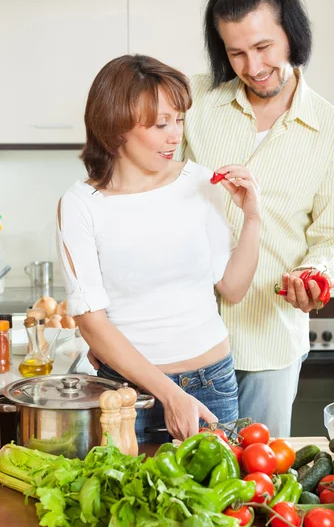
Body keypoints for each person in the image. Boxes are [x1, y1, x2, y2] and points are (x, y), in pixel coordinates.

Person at [178, 0, 334, 437]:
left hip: (270, 340)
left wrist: (315, 274)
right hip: (186, 340)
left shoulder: (331, 129)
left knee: (259, 487)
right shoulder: (192, 100)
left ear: (291, 36)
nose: (253, 66)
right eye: (236, 52)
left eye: (263, 48)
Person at [57, 54, 261, 443]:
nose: (175, 135)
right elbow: (91, 321)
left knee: (217, 504)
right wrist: (170, 394)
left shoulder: (199, 182)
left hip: (213, 385)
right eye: (161, 124)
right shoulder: (80, 205)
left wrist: (253, 219)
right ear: (115, 128)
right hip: (126, 397)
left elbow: (232, 288)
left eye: (179, 120)